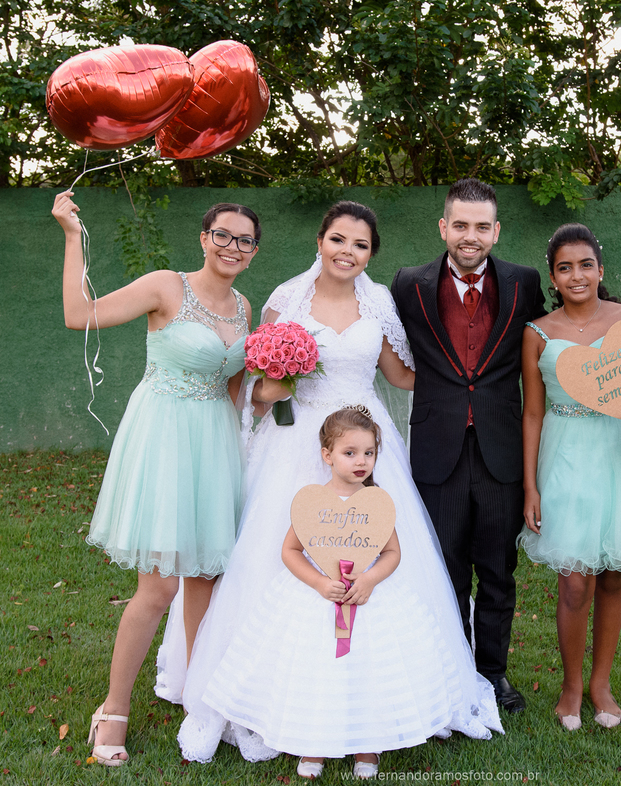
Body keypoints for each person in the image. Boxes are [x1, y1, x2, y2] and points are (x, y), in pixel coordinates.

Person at [162, 201, 502, 769]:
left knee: (385, 550)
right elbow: (255, 388)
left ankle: (376, 693)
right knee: (277, 557)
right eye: (339, 239)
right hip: (297, 446)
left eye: (361, 245)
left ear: (371, 254)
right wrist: (281, 381)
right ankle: (275, 696)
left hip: (368, 445)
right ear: (320, 240)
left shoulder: (380, 302)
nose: (348, 252)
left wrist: (471, 374)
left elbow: (402, 375)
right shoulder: (284, 302)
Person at [50, 191, 259, 766]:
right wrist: (73, 237)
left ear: (254, 250)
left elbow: (237, 389)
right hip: (165, 439)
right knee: (159, 586)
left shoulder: (245, 307)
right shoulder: (167, 286)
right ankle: (113, 708)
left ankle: (201, 703)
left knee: (205, 583)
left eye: (244, 239)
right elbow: (79, 315)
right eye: (222, 234)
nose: (232, 246)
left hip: (215, 444)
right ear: (204, 238)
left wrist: (277, 394)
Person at [390, 179, 546, 714]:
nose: (471, 236)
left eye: (482, 226)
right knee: (445, 565)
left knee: (499, 569)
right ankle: (451, 670)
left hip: (502, 448)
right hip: (437, 447)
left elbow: (560, 335)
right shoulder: (408, 286)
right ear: (443, 227)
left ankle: (493, 674)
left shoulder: (525, 284)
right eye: (461, 225)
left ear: (496, 230)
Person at [518, 223, 621, 731]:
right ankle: (571, 685)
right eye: (565, 268)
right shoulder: (538, 333)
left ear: (601, 270)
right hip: (564, 460)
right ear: (554, 277)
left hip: (619, 456)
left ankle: (602, 683)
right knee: (575, 582)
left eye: (585, 265)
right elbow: (532, 414)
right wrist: (531, 486)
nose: (576, 275)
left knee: (613, 575)